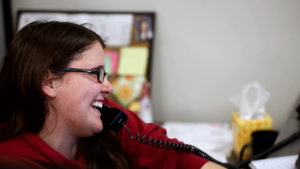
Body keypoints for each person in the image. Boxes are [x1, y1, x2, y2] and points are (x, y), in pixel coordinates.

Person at [0, 21, 226, 169]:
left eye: (104, 73)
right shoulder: (11, 160)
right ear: (49, 83)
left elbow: (172, 156)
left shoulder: (106, 118)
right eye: (96, 73)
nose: (108, 87)